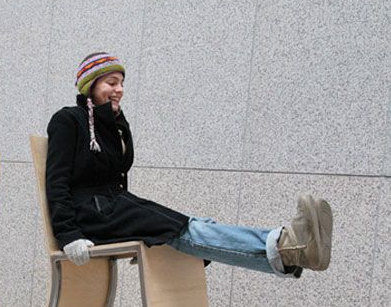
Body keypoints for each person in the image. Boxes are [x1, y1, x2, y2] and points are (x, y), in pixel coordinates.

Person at [46, 53, 332, 278]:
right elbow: (56, 183)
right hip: (90, 216)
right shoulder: (68, 120)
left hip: (116, 207)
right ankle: (286, 245)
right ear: (90, 86)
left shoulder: (115, 124)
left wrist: (113, 121)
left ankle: (288, 250)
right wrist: (69, 235)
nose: (119, 89)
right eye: (111, 82)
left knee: (191, 226)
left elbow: (117, 178)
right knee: (185, 229)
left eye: (121, 83)